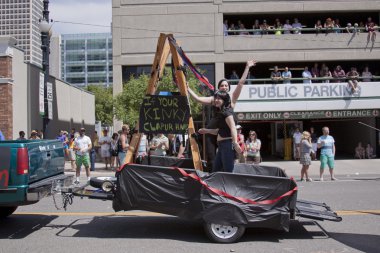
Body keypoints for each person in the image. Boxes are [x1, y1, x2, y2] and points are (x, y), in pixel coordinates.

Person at [198, 91, 240, 173]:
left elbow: (233, 128)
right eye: (216, 98)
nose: (216, 100)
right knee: (216, 171)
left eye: (219, 98)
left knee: (228, 171)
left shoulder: (227, 112)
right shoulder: (221, 112)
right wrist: (206, 131)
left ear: (224, 100)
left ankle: (229, 185)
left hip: (227, 144)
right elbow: (220, 131)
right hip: (222, 146)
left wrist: (235, 143)